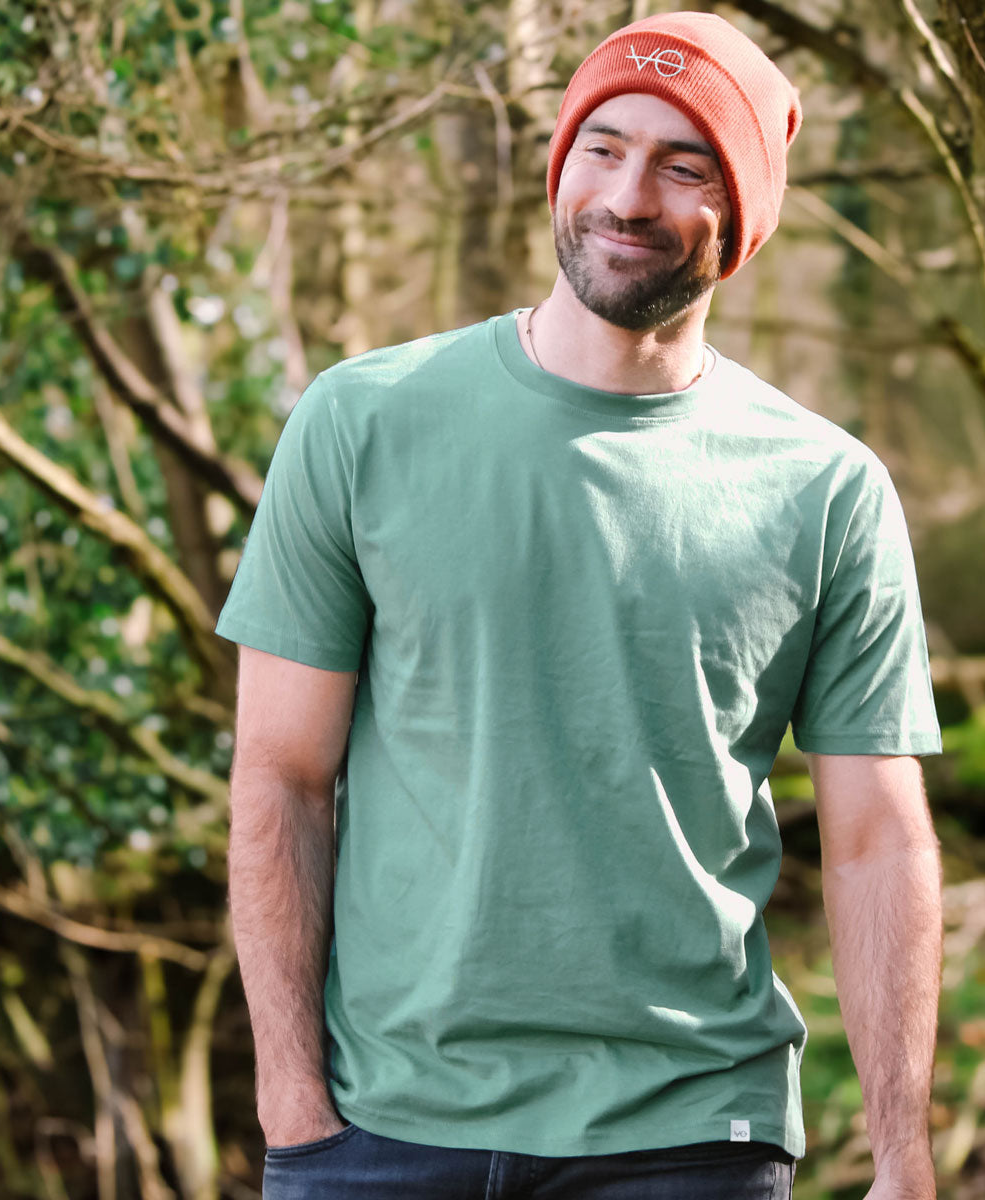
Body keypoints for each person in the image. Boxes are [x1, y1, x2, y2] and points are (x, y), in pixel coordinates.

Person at [216, 11, 943, 1200]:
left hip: (689, 1134)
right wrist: (292, 1105)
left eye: (685, 165)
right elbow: (281, 776)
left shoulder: (826, 488)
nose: (627, 196)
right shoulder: (363, 422)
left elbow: (877, 838)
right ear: (560, 165)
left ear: (743, 216)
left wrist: (903, 1154)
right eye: (603, 148)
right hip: (382, 1131)